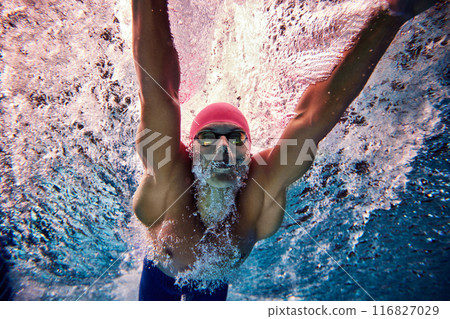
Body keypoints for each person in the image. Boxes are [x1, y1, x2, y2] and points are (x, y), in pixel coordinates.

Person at [131, 0, 438, 301]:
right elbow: (157, 90)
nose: (224, 147)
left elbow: (311, 121)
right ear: (191, 150)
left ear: (249, 154)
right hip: (160, 281)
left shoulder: (261, 185)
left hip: (213, 287)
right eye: (209, 138)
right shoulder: (168, 173)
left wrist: (391, 15)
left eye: (236, 139)